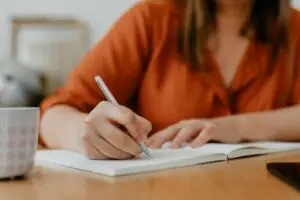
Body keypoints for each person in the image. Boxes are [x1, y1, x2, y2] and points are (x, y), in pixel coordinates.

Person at [39, 0, 300, 160]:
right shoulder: (149, 20)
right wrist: (83, 136)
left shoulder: (294, 30)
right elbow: (53, 115)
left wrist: (237, 127)